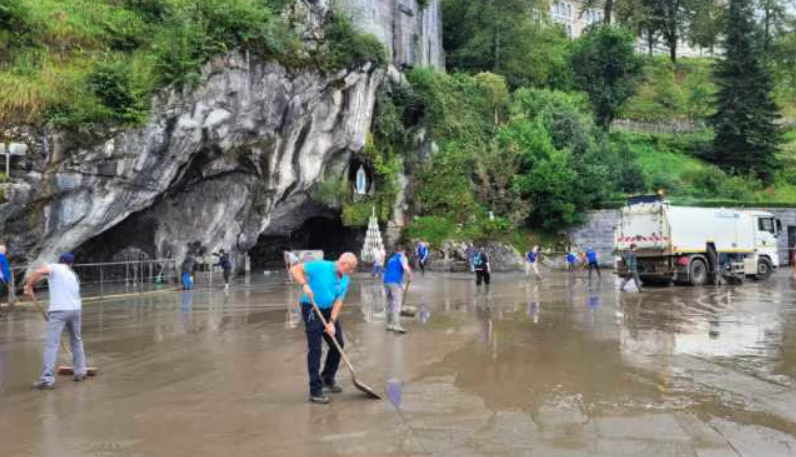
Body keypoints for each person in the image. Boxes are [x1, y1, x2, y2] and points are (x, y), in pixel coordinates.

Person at [290, 253, 358, 404]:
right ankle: (315, 390)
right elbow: (295, 269)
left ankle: (327, 378)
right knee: (315, 348)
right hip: (311, 308)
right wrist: (304, 284)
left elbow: (338, 302)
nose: (351, 272)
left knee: (337, 343)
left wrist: (332, 322)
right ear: (343, 263)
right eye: (351, 268)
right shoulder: (321, 266)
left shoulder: (345, 278)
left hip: (328, 311)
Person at [24, 253, 87, 390]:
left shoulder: (55, 267)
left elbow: (38, 271)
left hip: (59, 311)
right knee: (76, 340)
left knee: (52, 344)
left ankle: (47, 379)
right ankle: (80, 372)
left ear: (59, 261)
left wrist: (29, 286)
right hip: (76, 310)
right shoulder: (73, 275)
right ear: (71, 264)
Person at [383, 246, 413, 334]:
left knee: (389, 302)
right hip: (394, 281)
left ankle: (389, 324)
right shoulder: (402, 257)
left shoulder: (391, 259)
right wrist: (410, 276)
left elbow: (389, 270)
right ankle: (396, 326)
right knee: (396, 303)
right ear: (403, 251)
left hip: (386, 281)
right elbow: (405, 267)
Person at [0, 244, 10, 316]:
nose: (6, 250)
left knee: (1, 295)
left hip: (4, 278)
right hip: (1, 278)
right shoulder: (1, 257)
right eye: (5, 249)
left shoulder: (3, 256)